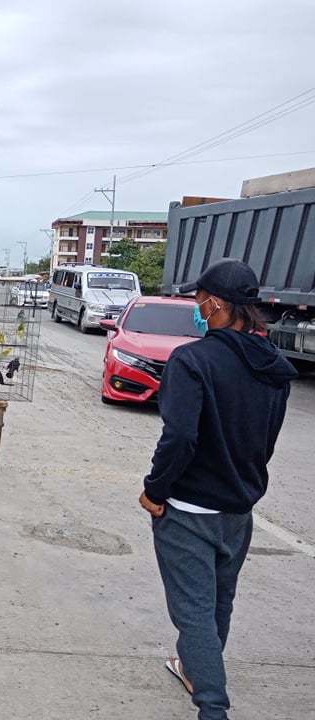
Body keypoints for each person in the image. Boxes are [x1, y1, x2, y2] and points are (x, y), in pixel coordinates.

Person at [138, 258, 297, 720]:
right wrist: (243, 484)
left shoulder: (193, 360)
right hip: (238, 509)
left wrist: (155, 490)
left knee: (192, 613)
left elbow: (180, 437)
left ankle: (213, 707)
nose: (195, 307)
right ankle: (192, 668)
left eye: (198, 300)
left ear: (214, 304)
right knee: (218, 602)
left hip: (188, 508)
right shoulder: (276, 368)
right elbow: (265, 439)